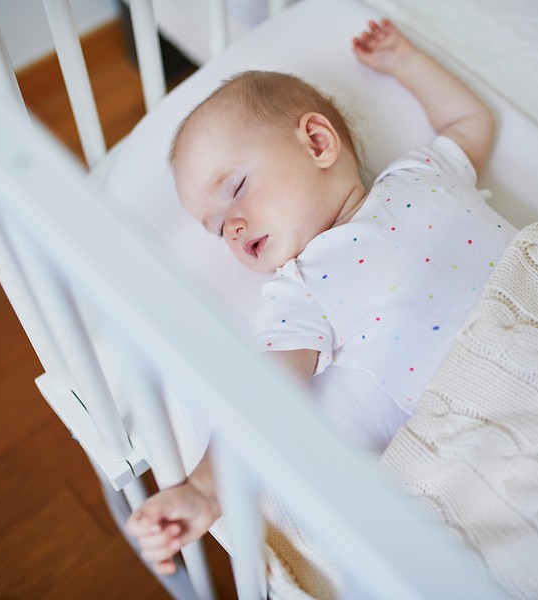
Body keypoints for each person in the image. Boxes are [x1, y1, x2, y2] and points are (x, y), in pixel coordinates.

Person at [125, 18, 518, 575]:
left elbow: (468, 120)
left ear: (317, 142)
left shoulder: (421, 171)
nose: (232, 228)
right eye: (217, 229)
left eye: (235, 190)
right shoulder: (302, 288)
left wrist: (405, 62)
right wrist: (206, 490)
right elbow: (263, 400)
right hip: (483, 419)